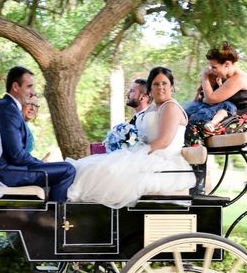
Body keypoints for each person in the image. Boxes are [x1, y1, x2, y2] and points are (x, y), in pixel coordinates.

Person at [66, 67, 196, 207]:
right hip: (147, 155)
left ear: (172, 86)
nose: (160, 88)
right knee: (88, 166)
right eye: (156, 84)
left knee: (107, 171)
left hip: (164, 161)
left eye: (164, 83)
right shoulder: (152, 108)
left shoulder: (170, 107)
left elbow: (164, 141)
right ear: (150, 88)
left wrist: (137, 153)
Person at [0, 67, 76, 202]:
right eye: (29, 86)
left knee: (63, 168)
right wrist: (40, 164)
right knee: (68, 170)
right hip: (4, 174)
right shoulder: (8, 110)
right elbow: (17, 156)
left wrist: (41, 165)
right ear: (15, 87)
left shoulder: (8, 107)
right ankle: (56, 218)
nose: (33, 92)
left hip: (7, 170)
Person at [184, 42, 247, 131]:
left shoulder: (238, 78)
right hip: (229, 116)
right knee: (189, 121)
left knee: (197, 128)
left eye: (214, 67)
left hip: (245, 122)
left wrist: (204, 76)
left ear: (227, 64)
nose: (211, 70)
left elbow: (210, 99)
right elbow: (199, 100)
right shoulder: (223, 78)